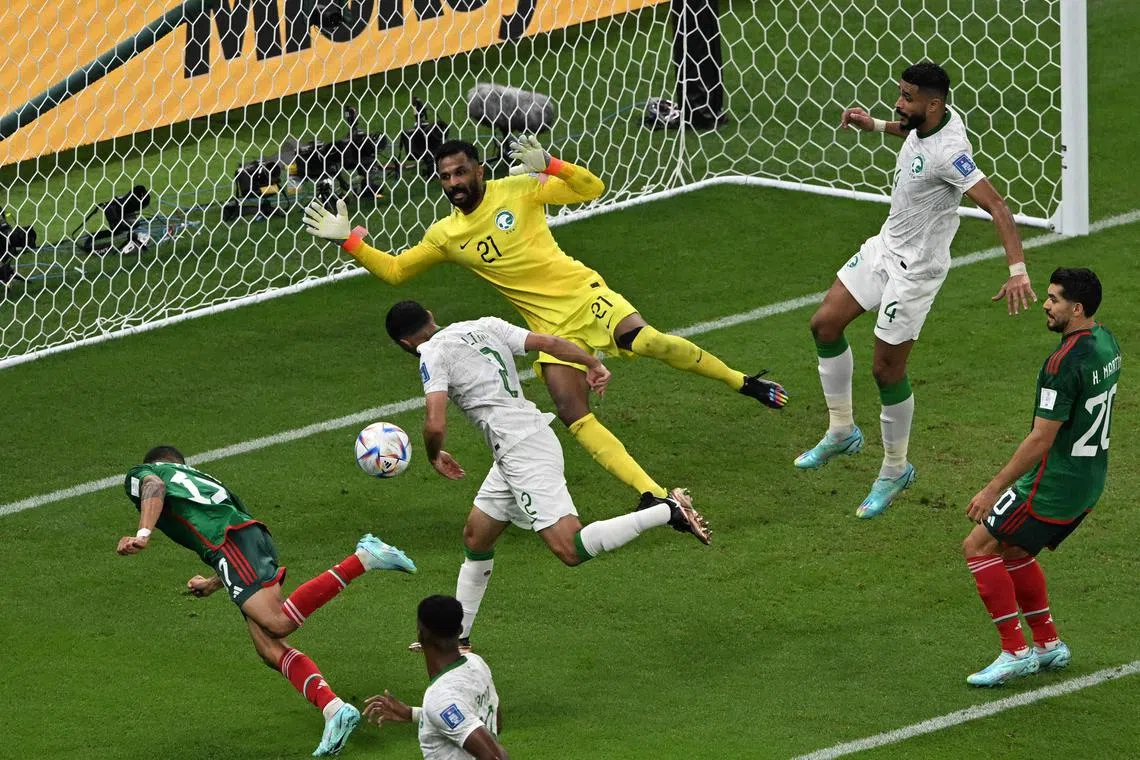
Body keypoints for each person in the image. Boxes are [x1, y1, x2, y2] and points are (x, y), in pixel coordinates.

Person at [304, 137, 787, 505]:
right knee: (575, 415)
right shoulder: (445, 235)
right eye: (445, 177)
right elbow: (396, 271)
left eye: (460, 172)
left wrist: (553, 166)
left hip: (584, 294)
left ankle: (741, 381)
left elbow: (592, 188)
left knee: (650, 343)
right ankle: (652, 493)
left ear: (479, 170)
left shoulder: (520, 190)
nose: (453, 183)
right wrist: (350, 242)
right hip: (548, 329)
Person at [385, 300, 710, 651]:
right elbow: (551, 344)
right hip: (516, 447)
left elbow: (435, 423)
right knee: (476, 537)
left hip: (523, 452)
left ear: (406, 345)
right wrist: (591, 363)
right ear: (431, 316)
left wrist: (435, 456)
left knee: (570, 549)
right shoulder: (485, 323)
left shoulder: (431, 354)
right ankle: (458, 638)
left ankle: (668, 509)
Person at [796, 61, 1037, 518]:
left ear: (934, 104)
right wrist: (875, 125)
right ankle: (843, 431)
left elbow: (999, 207)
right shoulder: (927, 121)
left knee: (886, 372)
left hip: (916, 273)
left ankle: (894, 468)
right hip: (884, 247)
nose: (898, 103)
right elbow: (911, 134)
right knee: (824, 325)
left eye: (906, 98)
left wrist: (1017, 271)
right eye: (900, 94)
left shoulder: (952, 152)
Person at [118, 446, 417, 756]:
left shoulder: (143, 473)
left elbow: (154, 487)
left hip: (232, 546)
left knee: (277, 622)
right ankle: (334, 709)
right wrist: (213, 583)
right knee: (268, 648)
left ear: (155, 462)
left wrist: (143, 534)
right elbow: (236, 528)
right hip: (243, 543)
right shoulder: (207, 480)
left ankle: (363, 558)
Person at [960, 268, 1118, 686]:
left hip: (1052, 485)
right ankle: (1047, 645)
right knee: (1014, 551)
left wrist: (993, 489)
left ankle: (1015, 652)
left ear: (1077, 308)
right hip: (1089, 479)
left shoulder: (1061, 363)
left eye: (1054, 299)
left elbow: (1040, 439)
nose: (1046, 306)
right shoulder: (1108, 342)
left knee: (978, 545)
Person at [363, 596, 508, 760]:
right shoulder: (477, 663)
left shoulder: (440, 698)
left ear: (421, 634)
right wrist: (413, 714)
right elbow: (494, 724)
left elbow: (496, 756)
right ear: (460, 629)